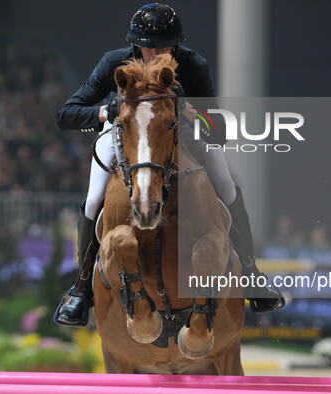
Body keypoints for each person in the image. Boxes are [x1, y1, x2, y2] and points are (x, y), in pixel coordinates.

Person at [54, 3, 283, 327]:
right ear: (137, 44)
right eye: (151, 46)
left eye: (166, 46)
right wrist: (106, 112)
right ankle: (80, 289)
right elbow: (66, 114)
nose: (160, 52)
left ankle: (250, 273)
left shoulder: (192, 64)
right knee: (93, 199)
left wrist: (196, 115)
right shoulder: (114, 61)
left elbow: (218, 125)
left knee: (228, 186)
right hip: (126, 134)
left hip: (179, 134)